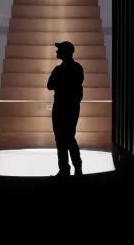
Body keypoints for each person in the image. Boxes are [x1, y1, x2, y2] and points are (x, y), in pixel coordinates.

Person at [47, 40, 84, 176]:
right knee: (68, 137)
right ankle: (76, 168)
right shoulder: (77, 68)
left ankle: (65, 169)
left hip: (62, 107)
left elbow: (50, 85)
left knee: (63, 138)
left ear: (65, 52)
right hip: (72, 107)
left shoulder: (59, 70)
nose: (57, 52)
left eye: (59, 50)